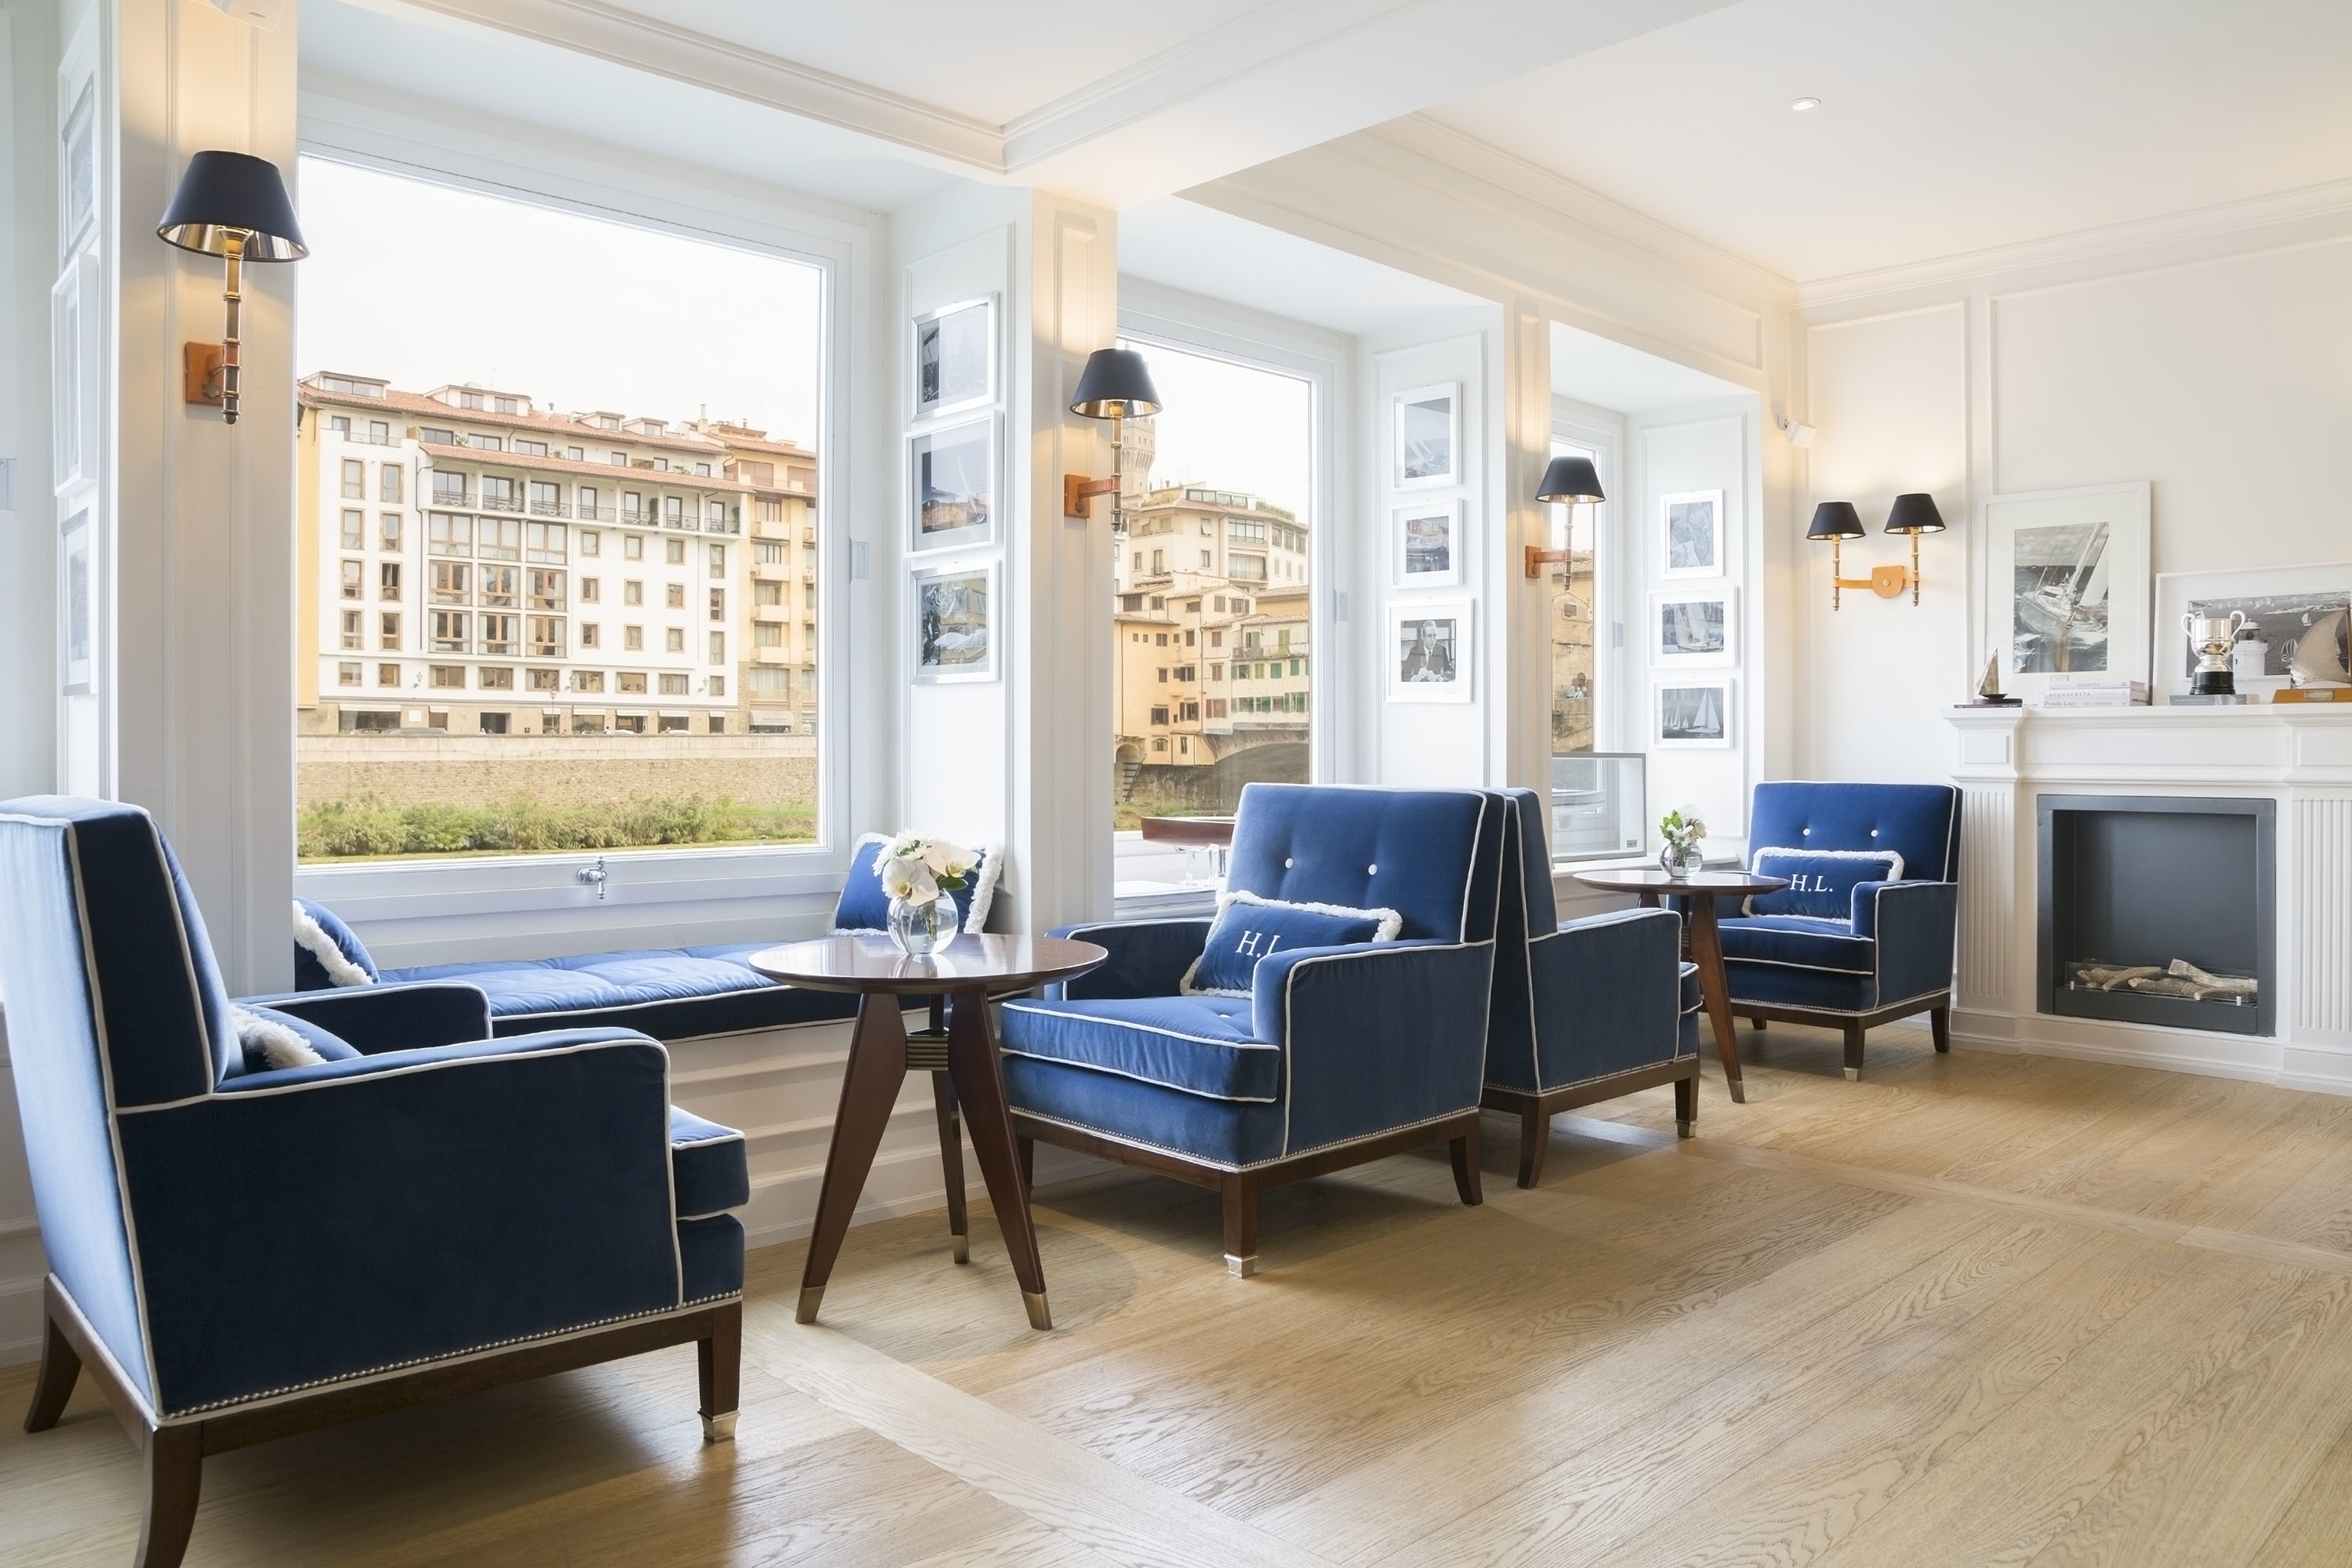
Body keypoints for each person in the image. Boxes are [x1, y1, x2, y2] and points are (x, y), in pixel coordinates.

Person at [1401, 619, 1453, 683]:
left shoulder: (1441, 649)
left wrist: (1438, 678)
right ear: (1423, 637)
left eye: (1435, 636)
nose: (1433, 640)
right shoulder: (1414, 650)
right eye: (1429, 636)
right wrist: (1415, 678)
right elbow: (1403, 674)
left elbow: (1451, 672)